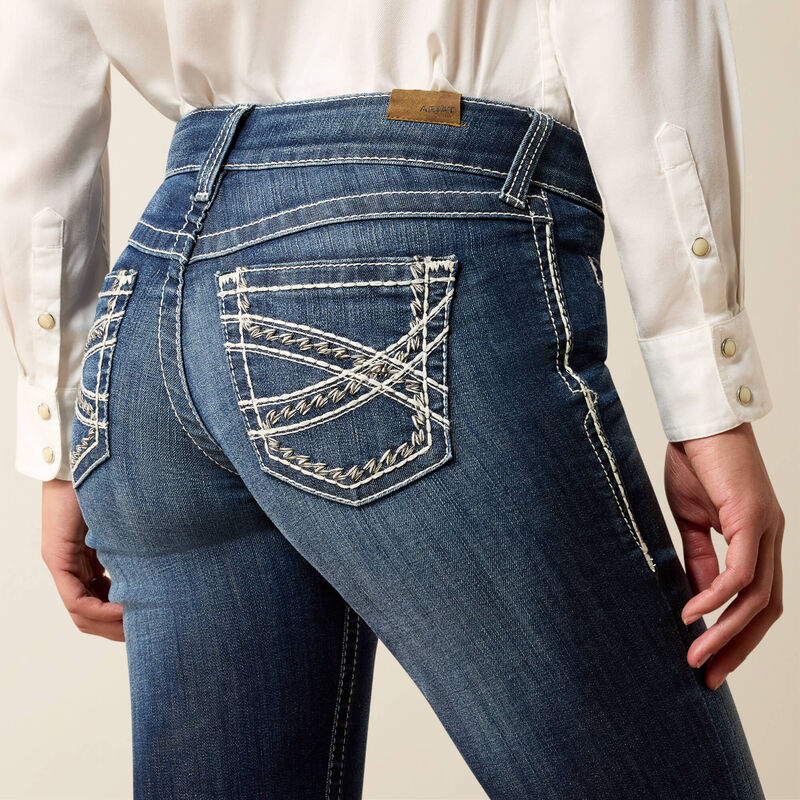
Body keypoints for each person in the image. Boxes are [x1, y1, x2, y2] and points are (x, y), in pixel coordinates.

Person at [0, 2, 785, 798]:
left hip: (155, 302)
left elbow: (35, 67)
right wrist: (707, 391)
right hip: (418, 231)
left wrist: (59, 422)